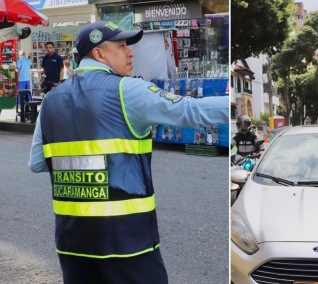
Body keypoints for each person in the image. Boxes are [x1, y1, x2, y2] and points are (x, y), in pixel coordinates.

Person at [28, 21, 228, 284]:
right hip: (127, 241)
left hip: (72, 241)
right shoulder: (128, 90)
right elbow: (191, 110)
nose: (130, 52)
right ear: (99, 54)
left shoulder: (51, 100)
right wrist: (233, 103)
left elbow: (38, 163)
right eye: (122, 46)